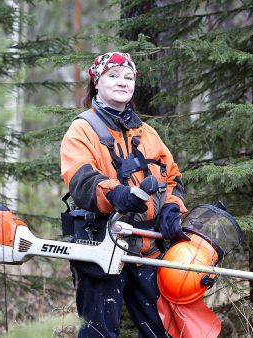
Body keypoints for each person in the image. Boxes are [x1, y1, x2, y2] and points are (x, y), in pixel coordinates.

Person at [59, 51, 190, 338]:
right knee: (99, 332)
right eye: (113, 76)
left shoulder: (148, 134)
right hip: (100, 246)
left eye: (128, 77)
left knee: (162, 331)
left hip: (149, 250)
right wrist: (116, 194)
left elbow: (174, 178)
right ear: (97, 82)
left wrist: (172, 208)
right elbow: (80, 180)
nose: (122, 82)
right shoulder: (82, 130)